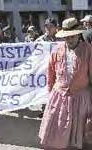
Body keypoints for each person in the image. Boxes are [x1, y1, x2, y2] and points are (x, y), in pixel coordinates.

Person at [39, 17, 92, 150]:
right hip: (59, 96)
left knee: (79, 132)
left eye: (72, 37)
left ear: (78, 35)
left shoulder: (88, 50)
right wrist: (51, 92)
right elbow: (51, 74)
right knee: (57, 131)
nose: (69, 40)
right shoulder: (57, 50)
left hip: (80, 98)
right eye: (66, 37)